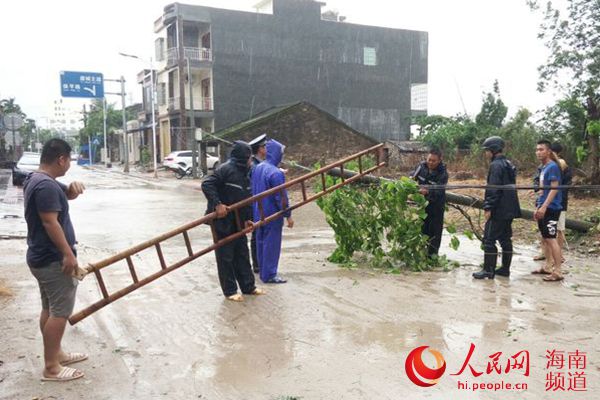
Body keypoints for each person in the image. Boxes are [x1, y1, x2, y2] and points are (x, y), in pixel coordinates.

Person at [24, 138, 87, 381]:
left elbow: (65, 195)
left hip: (41, 256)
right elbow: (50, 222)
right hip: (52, 260)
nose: (69, 164)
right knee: (60, 312)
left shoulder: (38, 179)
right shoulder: (46, 186)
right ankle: (51, 368)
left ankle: (56, 353)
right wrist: (68, 254)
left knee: (49, 309)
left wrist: (72, 188)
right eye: (69, 160)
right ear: (61, 159)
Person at [201, 141, 265, 301]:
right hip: (223, 220)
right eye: (249, 157)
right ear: (242, 158)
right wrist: (217, 204)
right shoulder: (225, 169)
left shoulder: (246, 172)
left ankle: (248, 287)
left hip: (238, 219)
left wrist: (248, 219)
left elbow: (246, 197)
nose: (251, 160)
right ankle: (230, 291)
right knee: (226, 256)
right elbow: (207, 184)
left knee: (242, 253)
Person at [473, 136, 521, 279]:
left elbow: (494, 189)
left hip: (499, 209)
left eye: (487, 150)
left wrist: (488, 207)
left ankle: (488, 270)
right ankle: (505, 269)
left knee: (489, 239)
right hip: (510, 208)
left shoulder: (496, 165)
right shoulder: (508, 164)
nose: (486, 153)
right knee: (505, 239)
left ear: (493, 150)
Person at [252, 139, 294, 284]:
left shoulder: (258, 168)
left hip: (258, 212)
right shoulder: (276, 173)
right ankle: (269, 274)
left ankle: (263, 271)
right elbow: (281, 197)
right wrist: (288, 215)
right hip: (272, 214)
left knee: (261, 241)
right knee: (271, 243)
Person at [532, 139, 564, 281]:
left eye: (542, 149)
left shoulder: (552, 167)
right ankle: (547, 267)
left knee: (551, 239)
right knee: (545, 238)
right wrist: (539, 206)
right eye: (537, 149)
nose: (538, 152)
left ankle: (558, 271)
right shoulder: (543, 168)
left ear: (549, 151)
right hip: (543, 207)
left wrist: (544, 207)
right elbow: (542, 191)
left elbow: (554, 189)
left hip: (552, 208)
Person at [411, 149, 448, 257]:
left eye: (434, 161)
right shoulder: (421, 167)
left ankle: (432, 257)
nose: (430, 163)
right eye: (429, 160)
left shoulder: (443, 173)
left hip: (436, 207)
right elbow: (413, 176)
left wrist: (427, 191)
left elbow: (439, 190)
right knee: (423, 230)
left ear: (439, 161)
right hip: (423, 207)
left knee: (435, 234)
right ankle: (421, 255)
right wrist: (410, 181)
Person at [248, 133, 267, 274]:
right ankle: (257, 264)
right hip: (255, 203)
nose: (267, 149)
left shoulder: (260, 164)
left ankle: (261, 262)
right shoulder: (255, 165)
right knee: (257, 233)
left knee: (260, 232)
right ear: (260, 149)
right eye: (265, 146)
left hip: (261, 202)